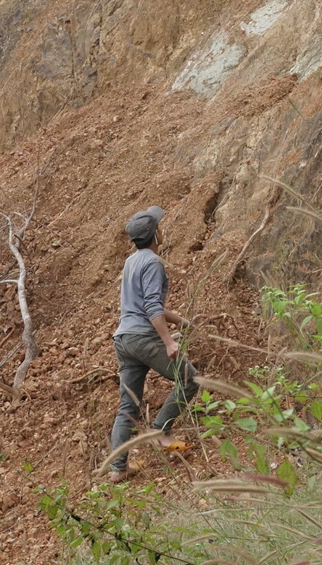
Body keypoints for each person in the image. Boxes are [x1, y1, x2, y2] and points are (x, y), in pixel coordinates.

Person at [105, 205, 197, 482]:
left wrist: (179, 321)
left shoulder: (131, 261)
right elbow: (152, 307)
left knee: (127, 407)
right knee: (190, 379)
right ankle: (161, 432)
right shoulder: (154, 262)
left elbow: (141, 304)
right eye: (159, 226)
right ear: (155, 234)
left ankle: (118, 469)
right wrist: (168, 342)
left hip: (124, 340)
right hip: (144, 338)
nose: (161, 229)